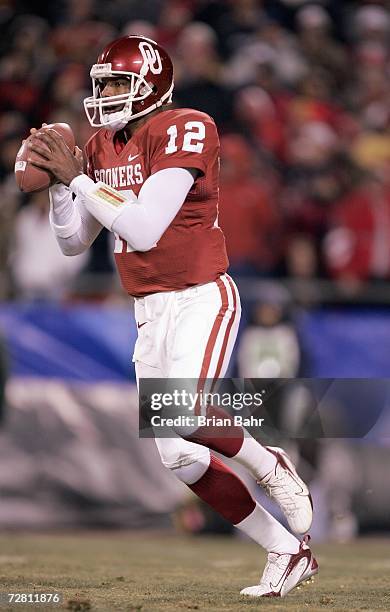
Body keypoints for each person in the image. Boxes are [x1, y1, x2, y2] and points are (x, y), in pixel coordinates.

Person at [27, 35, 317, 597]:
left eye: (117, 82)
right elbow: (70, 243)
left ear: (151, 85)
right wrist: (62, 187)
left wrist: (80, 180)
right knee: (179, 455)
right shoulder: (100, 145)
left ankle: (269, 461)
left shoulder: (187, 125)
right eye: (102, 83)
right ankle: (286, 550)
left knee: (184, 411)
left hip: (200, 294)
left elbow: (142, 227)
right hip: (148, 306)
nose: (106, 93)